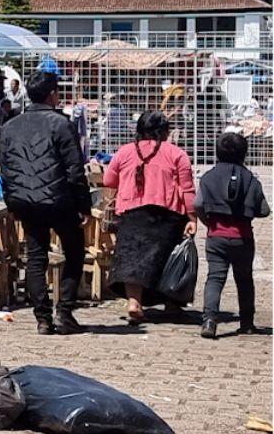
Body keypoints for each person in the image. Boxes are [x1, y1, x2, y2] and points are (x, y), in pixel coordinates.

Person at [0, 70, 92, 335]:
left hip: (25, 202)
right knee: (74, 253)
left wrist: (12, 203)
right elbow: (75, 170)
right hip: (60, 201)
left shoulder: (10, 126)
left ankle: (42, 318)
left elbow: (6, 170)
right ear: (53, 94)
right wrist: (84, 205)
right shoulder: (61, 124)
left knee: (36, 258)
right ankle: (64, 311)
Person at [103, 110, 196, 324]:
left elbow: (109, 179)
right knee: (170, 258)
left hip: (132, 213)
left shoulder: (125, 152)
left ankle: (134, 302)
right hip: (169, 215)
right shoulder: (177, 154)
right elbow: (188, 189)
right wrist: (192, 218)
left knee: (132, 259)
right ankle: (171, 305)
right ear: (164, 131)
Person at [196, 131, 269, 338]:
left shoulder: (208, 177)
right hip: (243, 238)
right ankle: (247, 322)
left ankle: (209, 320)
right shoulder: (251, 180)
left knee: (215, 279)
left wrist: (208, 222)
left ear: (217, 153)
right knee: (245, 280)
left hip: (216, 236)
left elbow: (198, 204)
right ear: (244, 154)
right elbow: (263, 210)